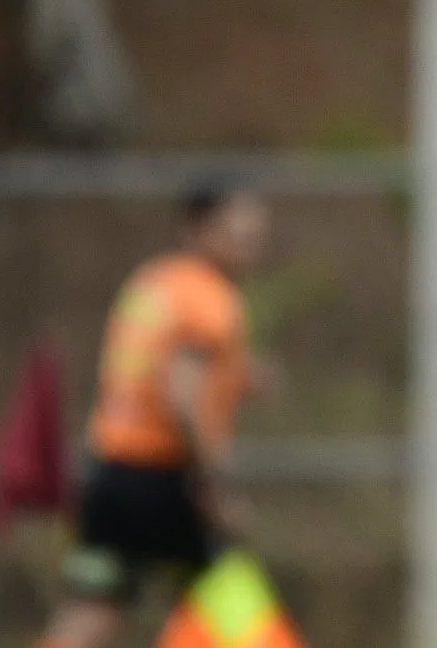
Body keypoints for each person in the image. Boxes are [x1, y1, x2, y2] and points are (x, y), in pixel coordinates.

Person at [36, 182, 272, 648]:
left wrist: (238, 378)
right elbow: (180, 392)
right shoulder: (209, 298)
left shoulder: (156, 283)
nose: (247, 246)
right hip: (163, 479)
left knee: (93, 610)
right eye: (235, 234)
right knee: (233, 611)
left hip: (111, 474)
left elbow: (151, 367)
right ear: (197, 229)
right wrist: (212, 480)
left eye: (254, 236)